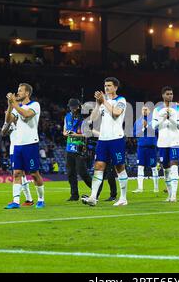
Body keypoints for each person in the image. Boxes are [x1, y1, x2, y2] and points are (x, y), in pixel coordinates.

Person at [82, 77, 128, 207]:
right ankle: (93, 197)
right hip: (103, 139)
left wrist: (104, 102)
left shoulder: (121, 100)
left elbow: (116, 113)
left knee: (119, 168)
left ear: (115, 87)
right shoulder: (103, 102)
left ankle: (123, 198)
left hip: (116, 139)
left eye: (109, 85)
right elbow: (93, 118)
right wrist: (98, 104)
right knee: (98, 167)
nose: (106, 88)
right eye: (105, 85)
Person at [4, 83, 45, 209]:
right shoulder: (18, 107)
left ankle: (41, 199)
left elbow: (26, 115)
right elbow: (8, 120)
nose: (18, 93)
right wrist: (10, 105)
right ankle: (16, 201)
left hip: (30, 144)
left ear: (27, 93)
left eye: (20, 91)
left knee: (34, 173)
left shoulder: (34, 105)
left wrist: (15, 104)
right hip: (18, 145)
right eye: (17, 91)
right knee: (16, 173)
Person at [152, 86, 179, 202]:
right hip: (162, 142)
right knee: (166, 169)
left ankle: (174, 195)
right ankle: (169, 194)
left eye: (171, 94)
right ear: (163, 95)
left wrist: (170, 119)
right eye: (168, 94)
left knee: (174, 166)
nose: (170, 96)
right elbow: (153, 126)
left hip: (174, 141)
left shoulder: (178, 108)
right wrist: (163, 119)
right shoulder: (157, 110)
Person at [1, 111, 34, 206]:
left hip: (23, 147)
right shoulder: (8, 122)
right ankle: (29, 199)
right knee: (20, 174)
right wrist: (8, 123)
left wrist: (15, 121)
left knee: (20, 173)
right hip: (13, 150)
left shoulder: (23, 121)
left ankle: (20, 200)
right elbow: (3, 132)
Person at [63, 98, 92, 201]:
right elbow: (64, 131)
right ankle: (74, 195)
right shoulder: (67, 117)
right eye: (71, 107)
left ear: (79, 107)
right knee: (71, 173)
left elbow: (87, 134)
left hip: (80, 148)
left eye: (74, 107)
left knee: (82, 172)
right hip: (69, 148)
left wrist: (75, 134)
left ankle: (95, 190)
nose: (73, 109)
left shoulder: (84, 118)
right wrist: (66, 133)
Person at [133, 105, 159, 193]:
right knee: (140, 167)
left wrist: (147, 125)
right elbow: (135, 134)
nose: (144, 111)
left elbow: (156, 131)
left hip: (151, 147)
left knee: (154, 167)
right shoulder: (138, 121)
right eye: (143, 109)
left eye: (146, 109)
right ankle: (140, 188)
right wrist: (143, 128)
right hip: (141, 147)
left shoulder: (153, 120)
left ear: (149, 111)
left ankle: (156, 188)